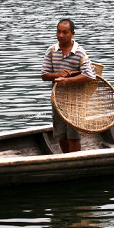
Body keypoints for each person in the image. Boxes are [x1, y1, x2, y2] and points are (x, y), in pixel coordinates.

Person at [41, 18, 96, 153]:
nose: (61, 35)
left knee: (73, 136)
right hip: (58, 98)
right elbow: (44, 75)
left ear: (72, 33)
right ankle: (66, 158)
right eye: (59, 32)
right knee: (61, 134)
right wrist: (57, 74)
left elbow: (89, 75)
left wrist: (69, 80)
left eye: (65, 32)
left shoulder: (79, 52)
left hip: (76, 99)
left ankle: (75, 160)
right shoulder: (52, 51)